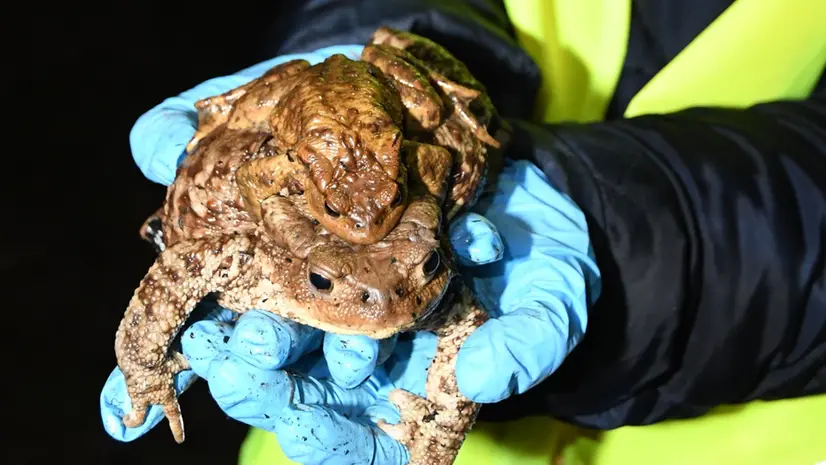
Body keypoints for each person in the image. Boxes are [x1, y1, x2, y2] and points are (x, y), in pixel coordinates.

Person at [101, 1, 826, 464]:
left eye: (417, 280)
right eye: (334, 283)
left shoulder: (421, 270)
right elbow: (181, 268)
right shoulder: (260, 252)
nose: (385, 307)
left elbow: (458, 341)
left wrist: (643, 236)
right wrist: (367, 50)